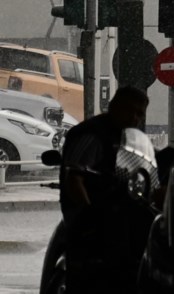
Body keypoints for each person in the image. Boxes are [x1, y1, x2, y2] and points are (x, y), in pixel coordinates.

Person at [59, 86, 150, 293]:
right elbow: (75, 179)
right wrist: (89, 216)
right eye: (129, 110)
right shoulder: (92, 135)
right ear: (113, 107)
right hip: (93, 226)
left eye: (139, 113)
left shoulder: (127, 137)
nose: (134, 117)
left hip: (118, 220)